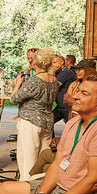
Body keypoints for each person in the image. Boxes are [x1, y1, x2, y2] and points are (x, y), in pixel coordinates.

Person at [10, 48, 59, 181]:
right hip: (47, 122)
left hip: (31, 122)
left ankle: (25, 192)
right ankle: (40, 189)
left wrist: (18, 83)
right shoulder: (54, 80)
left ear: (36, 63)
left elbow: (13, 99)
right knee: (42, 160)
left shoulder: (34, 81)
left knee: (28, 159)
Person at [52, 54, 77, 124]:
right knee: (48, 122)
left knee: (71, 125)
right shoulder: (58, 73)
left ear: (62, 62)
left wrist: (52, 72)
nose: (52, 65)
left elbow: (53, 86)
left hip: (66, 106)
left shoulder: (66, 72)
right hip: (60, 106)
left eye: (54, 62)